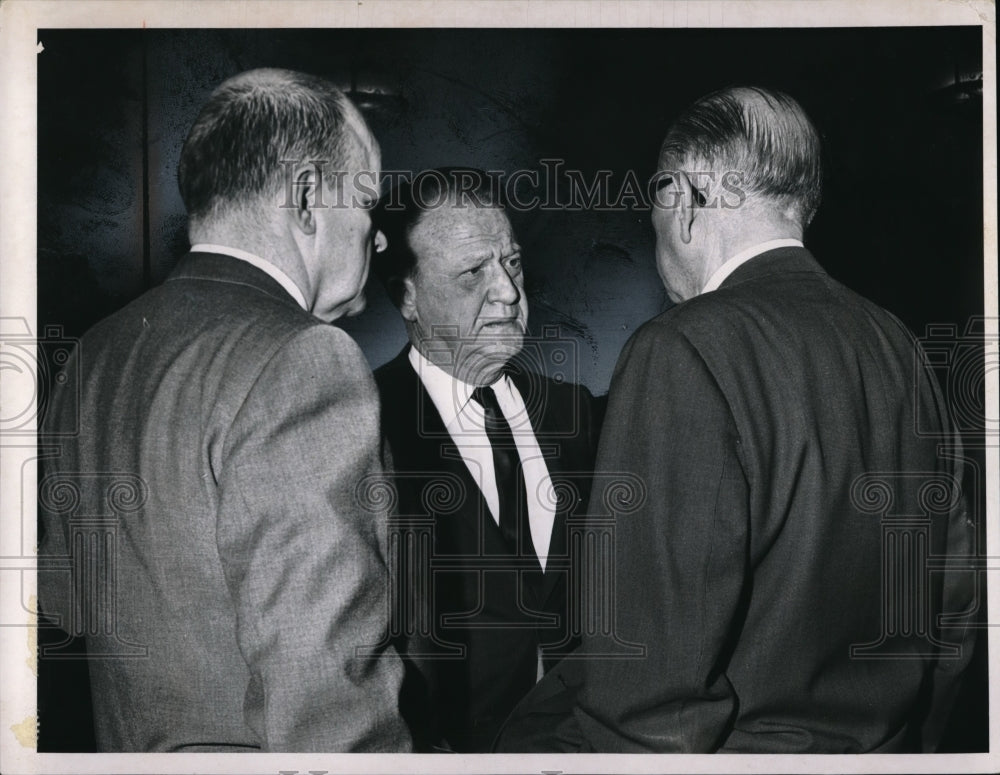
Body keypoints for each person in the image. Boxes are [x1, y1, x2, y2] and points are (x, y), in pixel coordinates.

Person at [495, 86, 977, 753]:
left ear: (686, 199)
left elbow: (647, 698)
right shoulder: (901, 346)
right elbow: (953, 609)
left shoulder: (682, 347)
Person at [37, 68, 410, 752]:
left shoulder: (94, 352)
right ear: (305, 198)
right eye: (365, 202)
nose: (377, 237)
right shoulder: (308, 360)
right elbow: (331, 708)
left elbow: (62, 602)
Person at [371, 169, 601, 752]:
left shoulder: (573, 412)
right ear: (408, 297)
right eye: (474, 272)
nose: (508, 292)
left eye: (513, 263)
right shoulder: (369, 427)